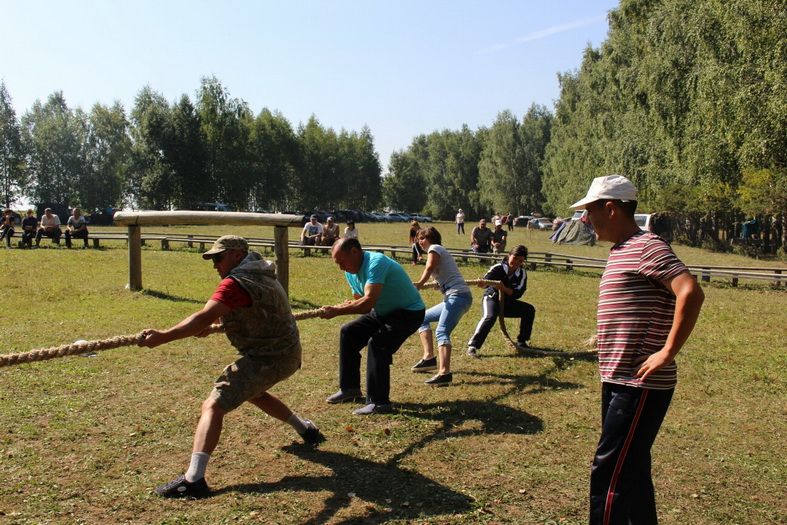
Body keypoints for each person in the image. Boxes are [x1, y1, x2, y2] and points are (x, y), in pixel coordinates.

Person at [138, 235, 324, 498]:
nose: (215, 264)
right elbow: (259, 312)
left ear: (237, 254)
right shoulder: (262, 273)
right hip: (286, 354)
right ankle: (306, 430)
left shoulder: (236, 283)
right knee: (253, 393)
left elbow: (203, 315)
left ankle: (194, 480)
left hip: (268, 357)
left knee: (213, 404)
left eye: (219, 257)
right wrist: (218, 326)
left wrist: (163, 336)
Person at [569, 175, 704, 524]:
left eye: (589, 211)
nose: (585, 219)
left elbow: (690, 291)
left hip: (638, 384)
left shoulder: (648, 245)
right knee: (631, 471)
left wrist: (667, 352)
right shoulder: (621, 250)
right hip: (617, 378)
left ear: (610, 208)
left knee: (608, 472)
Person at [319, 238, 425, 415]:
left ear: (354, 251)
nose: (341, 268)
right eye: (338, 264)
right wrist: (346, 305)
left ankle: (379, 402)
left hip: (408, 312)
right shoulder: (350, 271)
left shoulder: (376, 262)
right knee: (349, 332)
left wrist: (337, 311)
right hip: (382, 311)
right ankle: (350, 389)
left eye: (342, 262)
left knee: (378, 344)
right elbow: (360, 298)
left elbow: (367, 304)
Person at [410, 226, 473, 386]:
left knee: (442, 331)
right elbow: (443, 274)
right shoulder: (437, 251)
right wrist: (438, 283)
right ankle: (428, 358)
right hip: (453, 296)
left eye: (422, 238)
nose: (419, 241)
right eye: (418, 239)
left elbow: (430, 267)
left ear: (431, 238)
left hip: (458, 296)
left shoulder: (435, 248)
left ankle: (444, 374)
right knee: (422, 318)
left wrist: (419, 284)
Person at [466, 245, 535, 357]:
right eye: (515, 258)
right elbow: (486, 282)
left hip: (508, 303)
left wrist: (504, 289)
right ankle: (473, 346)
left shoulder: (522, 273)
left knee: (529, 310)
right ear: (509, 256)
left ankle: (522, 341)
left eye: (520, 260)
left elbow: (518, 293)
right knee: (490, 316)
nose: (517, 262)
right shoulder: (498, 268)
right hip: (491, 298)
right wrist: (483, 283)